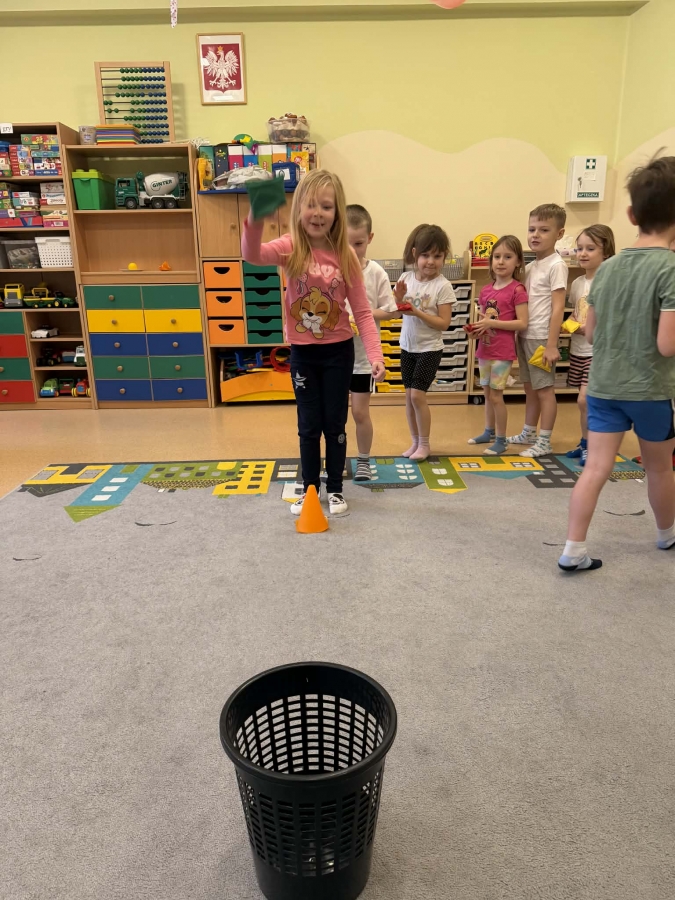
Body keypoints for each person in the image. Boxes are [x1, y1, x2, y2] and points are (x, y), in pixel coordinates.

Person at [241, 170, 386, 516]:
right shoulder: (290, 246)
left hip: (338, 352)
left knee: (334, 424)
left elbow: (362, 312)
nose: (318, 213)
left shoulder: (346, 255)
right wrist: (256, 216)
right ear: (299, 208)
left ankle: (335, 489)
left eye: (326, 206)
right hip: (304, 353)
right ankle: (309, 489)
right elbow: (252, 254)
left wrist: (376, 354)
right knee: (308, 425)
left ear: (337, 212)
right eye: (311, 205)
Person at [559, 154, 675, 572]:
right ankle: (666, 534)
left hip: (604, 386)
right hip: (650, 391)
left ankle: (572, 549)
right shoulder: (671, 269)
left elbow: (590, 333)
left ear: (631, 215)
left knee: (595, 467)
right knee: (660, 468)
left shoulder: (605, 270)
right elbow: (667, 345)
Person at [507, 203, 568, 457]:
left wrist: (552, 344)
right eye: (532, 229)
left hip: (542, 337)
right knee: (530, 388)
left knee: (544, 390)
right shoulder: (532, 266)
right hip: (525, 335)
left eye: (544, 230)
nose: (535, 235)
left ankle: (544, 440)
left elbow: (558, 307)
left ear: (559, 234)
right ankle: (529, 432)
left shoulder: (557, 265)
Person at [393, 224, 456, 461]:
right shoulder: (405, 278)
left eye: (437, 256)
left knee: (418, 396)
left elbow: (444, 323)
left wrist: (417, 312)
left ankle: (425, 444)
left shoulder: (443, 286)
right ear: (414, 254)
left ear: (444, 257)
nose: (430, 261)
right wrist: (398, 298)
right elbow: (396, 309)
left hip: (430, 349)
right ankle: (415, 442)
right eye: (425, 255)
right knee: (409, 397)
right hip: (407, 346)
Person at [345, 204, 398, 481]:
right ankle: (336, 459)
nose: (352, 250)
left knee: (359, 412)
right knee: (334, 415)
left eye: (359, 243)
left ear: (370, 238)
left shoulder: (376, 272)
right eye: (346, 243)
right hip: (335, 356)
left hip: (364, 359)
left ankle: (363, 460)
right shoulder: (330, 269)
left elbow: (391, 311)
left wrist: (361, 315)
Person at [467, 235, 529, 455]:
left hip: (502, 352)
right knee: (486, 393)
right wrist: (475, 331)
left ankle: (501, 440)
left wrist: (492, 323)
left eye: (508, 257)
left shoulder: (517, 290)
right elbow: (484, 321)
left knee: (496, 396)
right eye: (497, 257)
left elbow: (522, 323)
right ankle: (489, 431)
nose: (501, 261)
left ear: (518, 261)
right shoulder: (485, 291)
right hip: (484, 349)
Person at [564, 225, 616, 467]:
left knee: (585, 401)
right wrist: (570, 324)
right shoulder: (577, 283)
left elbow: (613, 318)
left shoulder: (609, 282)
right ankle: (585, 443)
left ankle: (593, 448)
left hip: (598, 351)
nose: (583, 253)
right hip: (578, 350)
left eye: (590, 248)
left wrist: (591, 327)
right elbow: (576, 313)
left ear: (606, 252)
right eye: (579, 248)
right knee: (583, 403)